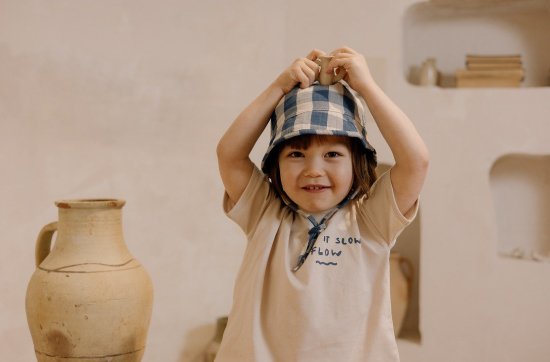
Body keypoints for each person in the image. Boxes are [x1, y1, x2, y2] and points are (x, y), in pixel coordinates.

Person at [215, 46, 429, 362]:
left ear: (357, 162)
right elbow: (229, 154)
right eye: (296, 154)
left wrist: (368, 88)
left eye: (332, 154)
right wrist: (278, 87)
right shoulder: (265, 213)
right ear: (276, 164)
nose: (314, 169)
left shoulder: (371, 220)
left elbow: (416, 161)